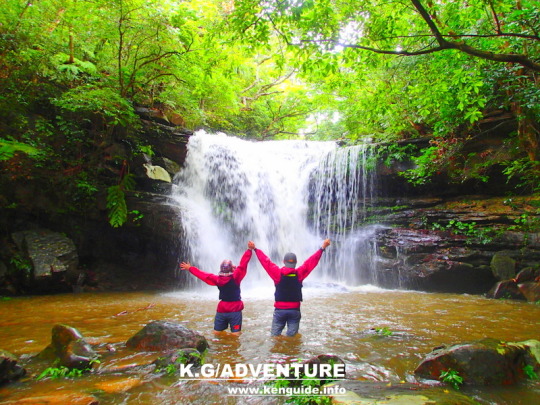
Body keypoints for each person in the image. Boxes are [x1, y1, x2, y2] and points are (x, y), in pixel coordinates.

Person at [248, 239, 331, 337]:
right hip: (294, 310)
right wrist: (322, 248)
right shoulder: (299, 274)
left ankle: (276, 352)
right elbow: (311, 262)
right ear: (296, 262)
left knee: (275, 337)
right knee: (292, 338)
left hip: (279, 310)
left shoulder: (277, 274)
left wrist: (255, 249)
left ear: (283, 262)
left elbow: (266, 262)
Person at [179, 244, 253, 335]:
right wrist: (249, 250)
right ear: (231, 269)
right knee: (236, 334)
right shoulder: (235, 277)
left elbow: (203, 275)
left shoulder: (217, 279)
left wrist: (190, 268)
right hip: (235, 309)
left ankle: (216, 348)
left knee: (217, 333)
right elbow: (243, 265)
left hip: (222, 309)